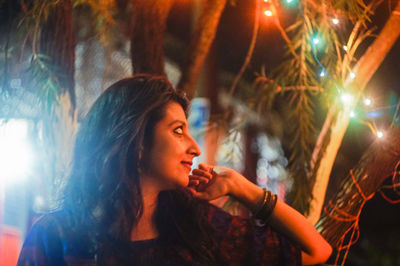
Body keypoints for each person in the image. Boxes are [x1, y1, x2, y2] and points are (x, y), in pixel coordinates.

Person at [18, 74, 332, 265]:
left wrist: (241, 187)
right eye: (178, 130)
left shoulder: (197, 228)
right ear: (137, 141)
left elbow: (315, 249)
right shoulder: (56, 236)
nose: (195, 148)